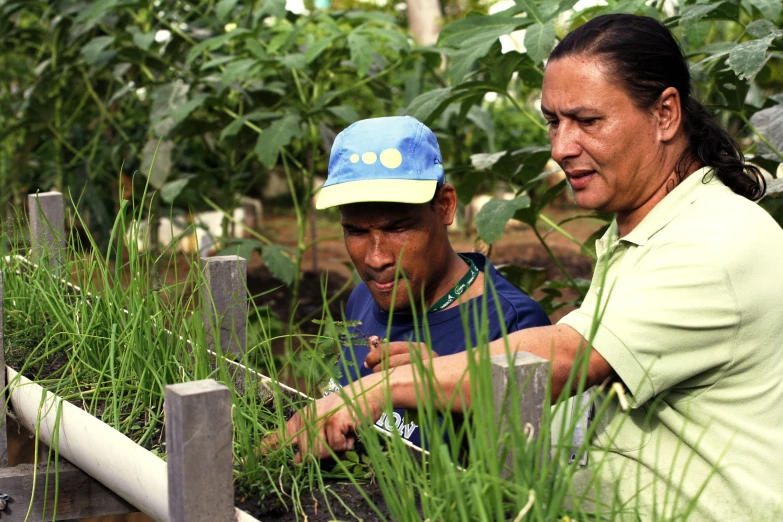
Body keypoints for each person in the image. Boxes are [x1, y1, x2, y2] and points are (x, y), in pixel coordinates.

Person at [266, 14, 783, 520]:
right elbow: (612, 393)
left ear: (666, 113)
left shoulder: (715, 241)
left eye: (587, 120)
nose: (561, 147)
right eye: (553, 122)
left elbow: (567, 358)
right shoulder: (650, 229)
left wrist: (380, 388)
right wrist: (435, 374)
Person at [313, 115, 550, 448]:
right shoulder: (363, 298)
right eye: (355, 231)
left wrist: (442, 384)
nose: (376, 259)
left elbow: (517, 476)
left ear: (444, 206)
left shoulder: (513, 324)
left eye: (397, 228)